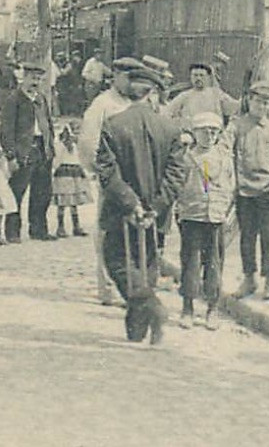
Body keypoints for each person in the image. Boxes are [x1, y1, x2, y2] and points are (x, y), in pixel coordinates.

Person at [94, 66, 188, 344]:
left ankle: (152, 308)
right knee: (146, 265)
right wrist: (155, 207)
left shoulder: (113, 125)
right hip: (154, 217)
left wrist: (131, 203)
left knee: (117, 262)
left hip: (121, 213)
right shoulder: (170, 129)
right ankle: (138, 329)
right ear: (153, 95)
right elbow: (176, 176)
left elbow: (107, 173)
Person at [80, 58, 142, 305]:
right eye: (125, 76)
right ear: (114, 76)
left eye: (133, 76)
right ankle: (107, 286)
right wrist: (98, 172)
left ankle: (131, 284)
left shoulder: (136, 103)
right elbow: (88, 142)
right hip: (111, 178)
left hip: (135, 179)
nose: (129, 81)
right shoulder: (103, 104)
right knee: (108, 232)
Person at [174, 112, 236, 329]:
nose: (209, 135)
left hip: (216, 217)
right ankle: (187, 308)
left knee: (214, 264)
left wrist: (227, 211)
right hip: (192, 215)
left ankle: (212, 309)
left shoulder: (224, 158)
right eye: (204, 131)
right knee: (190, 262)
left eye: (214, 131)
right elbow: (177, 186)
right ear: (194, 133)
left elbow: (230, 186)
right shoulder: (185, 158)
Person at [231, 81, 269, 300]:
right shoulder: (237, 125)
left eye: (265, 103)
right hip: (245, 190)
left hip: (268, 189)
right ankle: (249, 279)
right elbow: (229, 153)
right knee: (247, 237)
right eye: (257, 101)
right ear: (249, 100)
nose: (261, 106)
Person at [0, 60, 55, 243]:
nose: (35, 83)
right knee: (16, 192)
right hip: (24, 152)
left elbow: (48, 124)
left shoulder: (41, 99)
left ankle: (38, 230)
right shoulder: (14, 100)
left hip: (42, 150)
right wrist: (11, 156)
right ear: (23, 78)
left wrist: (51, 147)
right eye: (32, 78)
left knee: (42, 193)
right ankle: (13, 232)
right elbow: (6, 130)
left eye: (38, 79)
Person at [164, 62, 239, 128]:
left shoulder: (217, 94)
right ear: (191, 77)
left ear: (207, 77)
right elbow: (167, 112)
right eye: (195, 75)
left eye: (201, 75)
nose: (198, 78)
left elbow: (233, 107)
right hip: (192, 136)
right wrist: (180, 123)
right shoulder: (184, 96)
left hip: (214, 135)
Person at [50, 123, 90, 238]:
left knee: (70, 202)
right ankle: (63, 227)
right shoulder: (62, 145)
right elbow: (57, 160)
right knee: (65, 202)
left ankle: (72, 227)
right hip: (67, 173)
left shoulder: (75, 145)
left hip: (72, 173)